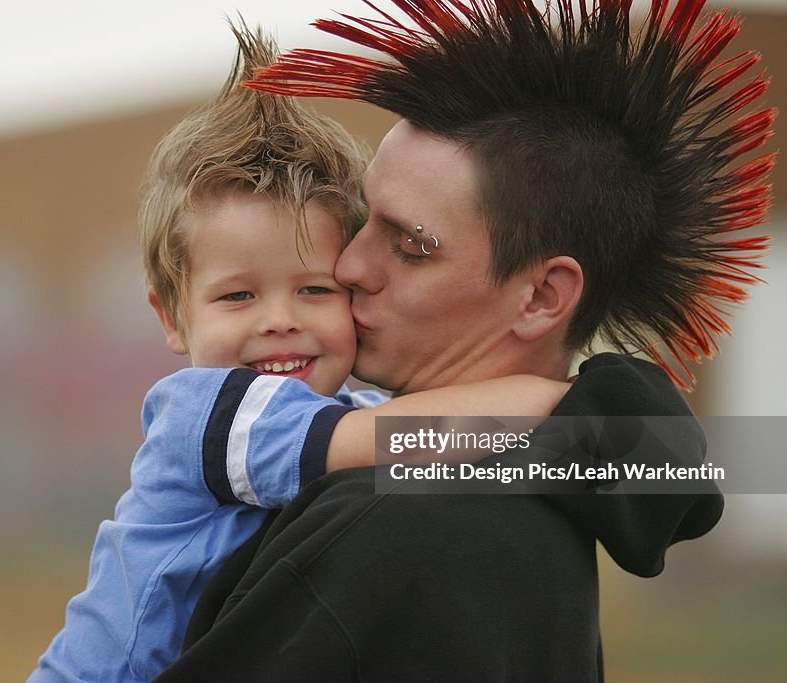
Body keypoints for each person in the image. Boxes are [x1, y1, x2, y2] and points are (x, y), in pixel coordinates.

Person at [156, 0, 774, 680]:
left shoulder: (396, 530)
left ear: (541, 296)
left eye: (410, 245)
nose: (349, 267)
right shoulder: (540, 492)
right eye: (364, 221)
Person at [29, 24, 571, 683]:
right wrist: (565, 402)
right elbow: (397, 439)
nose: (280, 321)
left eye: (314, 288)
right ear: (171, 317)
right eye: (237, 296)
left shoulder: (353, 411)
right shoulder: (205, 416)